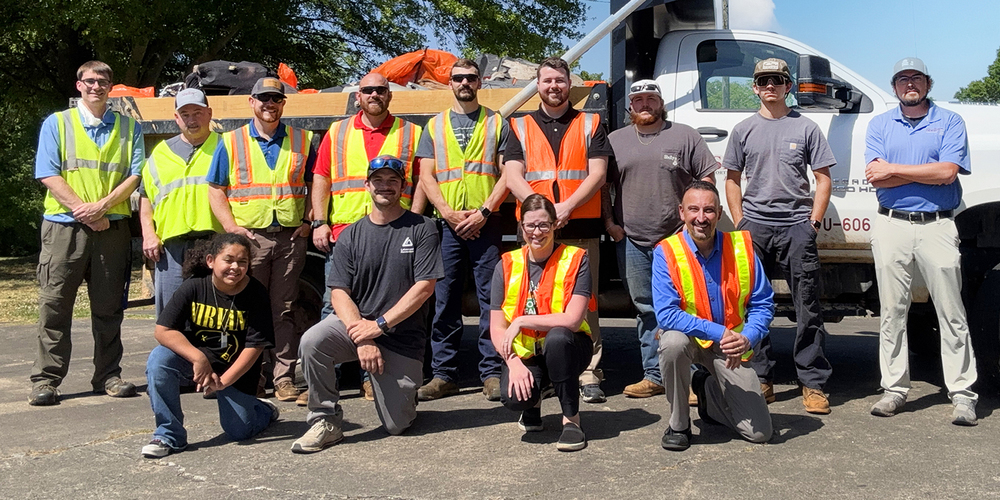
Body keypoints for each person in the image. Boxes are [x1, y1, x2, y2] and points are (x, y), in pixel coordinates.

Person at [291, 155, 443, 454]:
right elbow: (338, 292)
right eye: (378, 181)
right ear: (367, 185)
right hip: (361, 329)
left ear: (403, 187)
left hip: (400, 338)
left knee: (397, 425)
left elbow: (425, 287)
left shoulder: (422, 228)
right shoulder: (351, 235)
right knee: (313, 340)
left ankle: (398, 391)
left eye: (392, 181)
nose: (384, 187)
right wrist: (364, 336)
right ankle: (326, 421)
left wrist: (380, 326)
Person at [864, 57, 978, 425]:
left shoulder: (949, 122)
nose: (909, 84)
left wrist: (895, 169)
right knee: (892, 313)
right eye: (902, 79)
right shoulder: (880, 124)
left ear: (928, 84)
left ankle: (962, 394)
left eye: (916, 78)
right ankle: (894, 390)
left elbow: (947, 173)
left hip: (938, 226)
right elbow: (875, 179)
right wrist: (922, 174)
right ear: (894, 87)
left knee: (952, 313)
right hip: (891, 225)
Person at [723, 58, 835, 414]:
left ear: (788, 86)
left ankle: (813, 384)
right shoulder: (743, 129)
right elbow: (731, 179)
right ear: (755, 87)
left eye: (778, 80)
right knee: (753, 306)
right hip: (754, 227)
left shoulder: (807, 128)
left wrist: (812, 224)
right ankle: (761, 378)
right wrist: (740, 222)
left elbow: (823, 179)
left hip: (796, 228)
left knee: (807, 308)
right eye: (763, 80)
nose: (770, 85)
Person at [29, 60, 144, 406]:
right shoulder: (57, 123)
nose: (97, 86)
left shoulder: (128, 127)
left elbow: (135, 175)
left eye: (103, 81)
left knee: (109, 308)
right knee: (55, 306)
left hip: (111, 228)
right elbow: (47, 173)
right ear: (79, 84)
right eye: (90, 81)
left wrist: (102, 208)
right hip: (64, 228)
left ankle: (108, 376)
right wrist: (85, 210)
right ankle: (45, 380)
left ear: (111, 87)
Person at [311, 72, 423, 403]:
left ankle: (372, 379)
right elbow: (322, 177)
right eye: (367, 90)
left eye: (381, 90)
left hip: (393, 232)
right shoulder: (338, 130)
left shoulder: (410, 133)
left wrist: (414, 223)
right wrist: (319, 221)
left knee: (383, 305)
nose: (374, 94)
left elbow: (421, 180)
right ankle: (328, 378)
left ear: (390, 96)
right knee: (335, 303)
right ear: (357, 96)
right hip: (345, 232)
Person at [505, 57, 612, 403]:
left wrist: (565, 208)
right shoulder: (519, 126)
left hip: (579, 224)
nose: (554, 87)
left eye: (560, 81)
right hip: (537, 229)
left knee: (585, 300)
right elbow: (512, 175)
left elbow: (597, 174)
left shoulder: (591, 122)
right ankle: (539, 368)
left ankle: (589, 372)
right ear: (537, 85)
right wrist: (545, 212)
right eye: (547, 80)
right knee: (531, 297)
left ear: (570, 86)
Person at [604, 79, 718, 399]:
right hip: (632, 240)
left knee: (687, 306)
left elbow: (706, 178)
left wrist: (693, 223)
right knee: (646, 309)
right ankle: (654, 374)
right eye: (638, 100)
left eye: (650, 99)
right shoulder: (616, 140)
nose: (644, 105)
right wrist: (610, 223)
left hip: (677, 240)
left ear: (661, 102)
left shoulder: (685, 135)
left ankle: (691, 378)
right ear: (630, 106)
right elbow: (602, 186)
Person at [207, 77, 315, 403]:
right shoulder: (230, 141)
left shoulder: (303, 139)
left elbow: (315, 183)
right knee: (247, 310)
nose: (270, 104)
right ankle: (252, 379)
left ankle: (283, 380)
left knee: (283, 310)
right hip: (248, 241)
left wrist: (309, 220)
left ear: (283, 104)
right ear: (251, 102)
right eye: (263, 98)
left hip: (289, 237)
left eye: (276, 99)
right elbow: (215, 189)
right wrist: (231, 228)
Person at [654, 181, 774, 451]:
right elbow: (667, 314)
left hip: (730, 345)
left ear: (719, 213)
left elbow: (763, 303)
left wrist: (747, 338)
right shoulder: (666, 251)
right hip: (693, 337)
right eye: (693, 209)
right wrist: (719, 332)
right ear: (681, 212)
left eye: (708, 210)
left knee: (759, 433)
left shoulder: (742, 247)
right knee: (672, 342)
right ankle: (679, 423)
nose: (701, 218)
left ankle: (707, 392)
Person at [416, 59, 509, 402]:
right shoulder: (435, 125)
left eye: (471, 77)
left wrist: (484, 212)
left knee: (491, 300)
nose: (464, 82)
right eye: (458, 78)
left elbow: (507, 173)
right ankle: (444, 374)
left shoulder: (496, 121)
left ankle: (491, 373)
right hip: (448, 224)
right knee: (444, 300)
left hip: (486, 223)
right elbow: (427, 175)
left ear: (480, 82)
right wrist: (447, 213)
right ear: (449, 83)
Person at [141, 233, 278, 458]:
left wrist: (223, 383)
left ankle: (262, 410)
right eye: (228, 259)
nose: (235, 267)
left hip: (235, 372)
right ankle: (169, 435)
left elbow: (254, 347)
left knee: (239, 432)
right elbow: (162, 331)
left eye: (242, 262)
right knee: (159, 360)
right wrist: (198, 358)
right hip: (198, 363)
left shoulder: (256, 293)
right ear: (211, 261)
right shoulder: (193, 287)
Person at [492, 194, 595, 452]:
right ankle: (533, 401)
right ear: (521, 226)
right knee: (514, 398)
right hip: (527, 353)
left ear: (555, 225)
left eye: (544, 225)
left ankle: (572, 420)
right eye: (530, 225)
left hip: (569, 347)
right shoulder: (506, 264)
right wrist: (513, 362)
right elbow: (495, 327)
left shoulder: (576, 259)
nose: (536, 232)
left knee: (558, 338)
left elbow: (572, 320)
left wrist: (521, 321)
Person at [139, 88, 223, 318]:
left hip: (214, 242)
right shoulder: (161, 153)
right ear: (176, 118)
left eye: (197, 112)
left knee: (215, 315)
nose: (192, 119)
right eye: (185, 114)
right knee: (171, 317)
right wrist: (149, 234)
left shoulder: (225, 147)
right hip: (171, 249)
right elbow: (146, 196)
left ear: (209, 113)